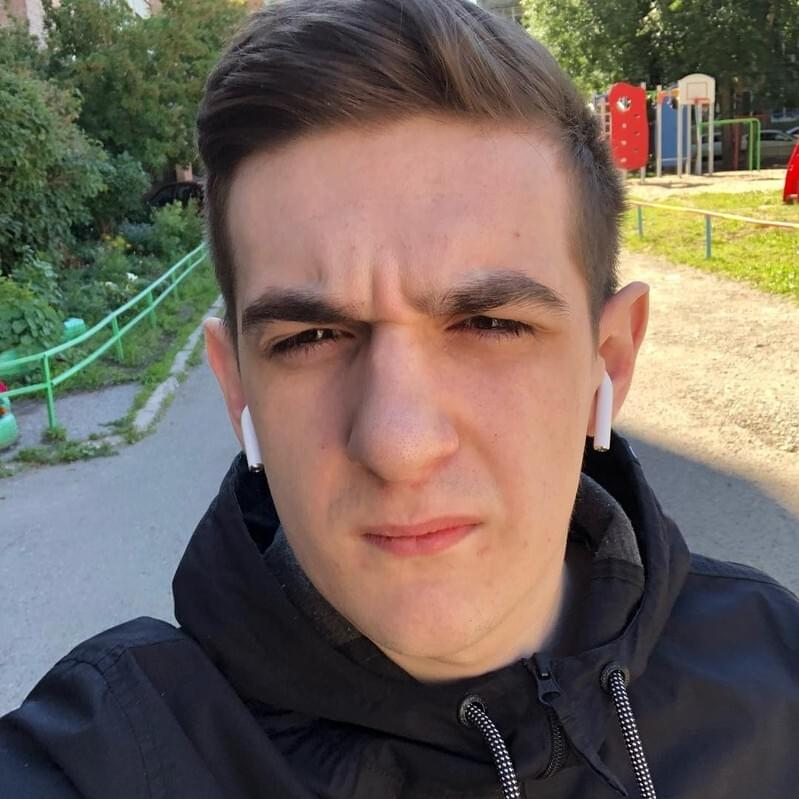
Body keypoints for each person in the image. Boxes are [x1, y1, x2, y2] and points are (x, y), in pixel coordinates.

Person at [2, 0, 798, 796]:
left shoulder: (778, 672)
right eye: (310, 337)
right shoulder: (107, 758)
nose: (397, 443)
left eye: (488, 323)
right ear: (236, 383)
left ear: (608, 359)